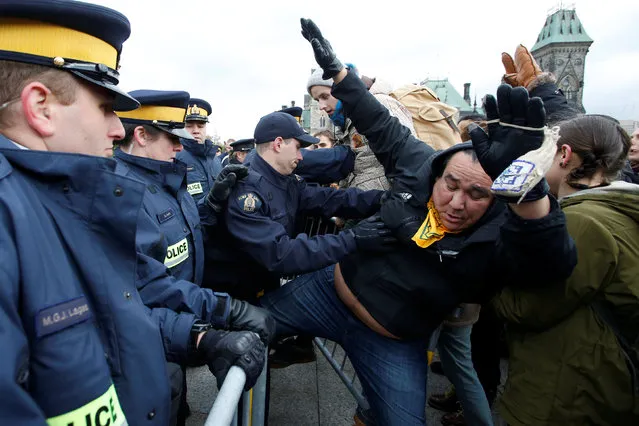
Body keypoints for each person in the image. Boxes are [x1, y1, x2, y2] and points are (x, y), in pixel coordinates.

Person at [256, 19, 578, 426]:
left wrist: (528, 192)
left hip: (392, 342)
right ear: (437, 172)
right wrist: (340, 75)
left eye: (477, 195)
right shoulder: (417, 163)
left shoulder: (501, 231)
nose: (457, 203)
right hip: (327, 292)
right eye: (451, 185)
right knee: (242, 322)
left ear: (496, 199)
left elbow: (551, 264)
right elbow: (377, 120)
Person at [0, 2, 263, 424]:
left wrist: (200, 336)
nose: (117, 129)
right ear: (41, 107)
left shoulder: (52, 198)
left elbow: (115, 308)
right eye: (105, 106)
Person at [114, 90, 275, 423]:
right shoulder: (124, 193)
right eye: (173, 136)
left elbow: (188, 235)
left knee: (176, 403)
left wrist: (214, 202)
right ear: (142, 135)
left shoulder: (168, 178)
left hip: (177, 328)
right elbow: (147, 282)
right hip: (150, 338)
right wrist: (223, 308)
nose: (180, 145)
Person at [493, 115, 639, 426]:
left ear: (564, 154)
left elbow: (529, 308)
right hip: (593, 383)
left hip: (567, 392)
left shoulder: (582, 222)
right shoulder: (615, 209)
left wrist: (486, 281)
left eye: (544, 149)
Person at [203, 110, 391, 302]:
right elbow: (280, 254)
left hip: (262, 285)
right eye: (298, 147)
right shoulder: (246, 189)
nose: (301, 157)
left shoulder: (284, 180)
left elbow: (328, 199)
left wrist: (380, 199)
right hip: (234, 297)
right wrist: (353, 239)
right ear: (278, 144)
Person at [307, 64, 416, 192]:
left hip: (388, 205)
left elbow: (409, 159)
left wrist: (398, 204)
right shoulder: (345, 121)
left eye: (325, 97)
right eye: (317, 100)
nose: (321, 106)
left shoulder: (381, 103)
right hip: (367, 206)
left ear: (342, 89)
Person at [177, 98, 221, 202]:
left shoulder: (214, 158)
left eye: (200, 126)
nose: (196, 131)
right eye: (189, 126)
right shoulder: (174, 157)